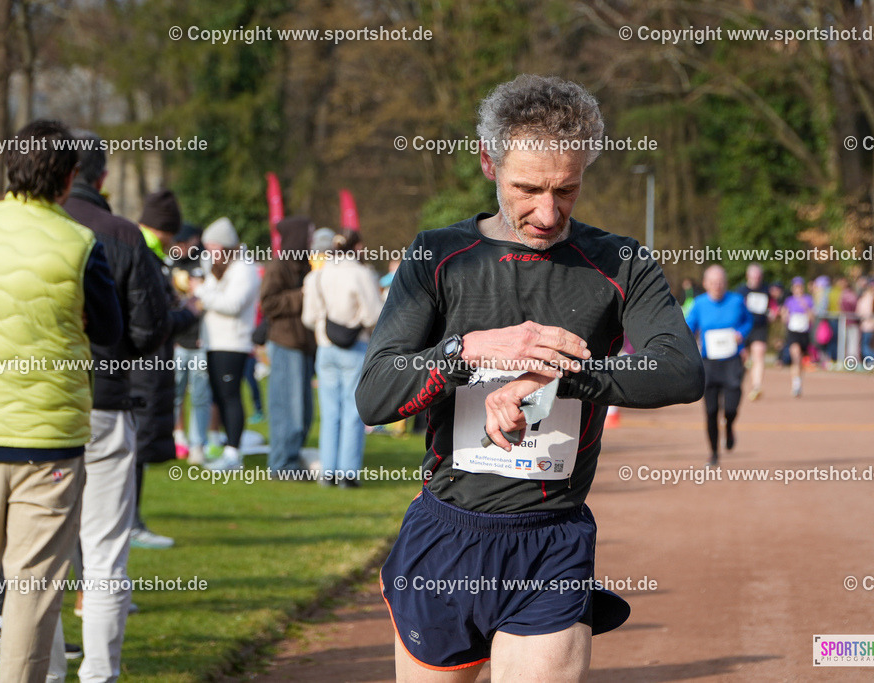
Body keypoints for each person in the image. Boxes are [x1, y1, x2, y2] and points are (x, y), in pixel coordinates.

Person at [355, 75, 704, 681]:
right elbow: (375, 395)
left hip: (551, 540)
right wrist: (469, 350)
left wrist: (562, 378)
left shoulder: (622, 262)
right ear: (489, 162)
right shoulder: (436, 257)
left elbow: (678, 370)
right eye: (527, 188)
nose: (547, 213)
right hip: (447, 533)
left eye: (566, 189)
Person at [0, 119, 122, 681]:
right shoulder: (79, 242)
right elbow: (111, 329)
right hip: (48, 446)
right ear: (68, 180)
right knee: (31, 597)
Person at [63, 130, 174, 681]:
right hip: (104, 400)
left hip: (35, 408)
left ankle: (45, 668)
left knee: (38, 552)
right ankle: (98, 673)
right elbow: (151, 328)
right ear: (101, 177)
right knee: (104, 551)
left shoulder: (26, 229)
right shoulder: (121, 234)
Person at [130, 190, 200, 548]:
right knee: (133, 450)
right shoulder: (143, 254)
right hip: (139, 371)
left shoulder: (144, 251)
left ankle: (131, 519)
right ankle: (131, 522)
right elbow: (150, 323)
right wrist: (187, 312)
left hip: (139, 369)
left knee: (133, 449)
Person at [302, 229, 384, 486]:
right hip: (355, 346)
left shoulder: (318, 275)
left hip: (325, 346)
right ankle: (348, 473)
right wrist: (357, 321)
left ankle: (328, 471)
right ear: (357, 247)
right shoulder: (361, 274)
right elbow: (373, 315)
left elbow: (308, 317)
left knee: (329, 412)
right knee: (352, 411)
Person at [195, 217, 261, 471]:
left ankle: (234, 454)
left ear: (224, 246)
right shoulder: (221, 266)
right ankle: (227, 448)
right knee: (220, 397)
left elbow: (232, 305)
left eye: (212, 247)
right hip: (215, 341)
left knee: (231, 397)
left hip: (233, 342)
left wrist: (200, 291)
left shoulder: (244, 268)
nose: (208, 253)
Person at [261, 215, 317, 476]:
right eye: (308, 236)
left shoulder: (304, 265)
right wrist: (301, 295)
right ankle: (282, 464)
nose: (311, 241)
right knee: (288, 409)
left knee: (304, 412)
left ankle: (290, 460)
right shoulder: (277, 267)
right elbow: (268, 303)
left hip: (304, 344)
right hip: (286, 344)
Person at [686, 265, 752, 466]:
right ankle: (714, 453)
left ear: (726, 283)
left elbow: (748, 321)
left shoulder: (737, 301)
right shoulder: (699, 304)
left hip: (732, 361)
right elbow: (688, 327)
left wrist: (741, 333)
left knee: (731, 407)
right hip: (709, 363)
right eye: (713, 283)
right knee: (711, 411)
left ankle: (730, 425)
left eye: (720, 282)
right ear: (706, 284)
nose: (717, 286)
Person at [170, 224, 213, 464]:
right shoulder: (172, 263)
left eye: (183, 243)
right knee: (175, 394)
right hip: (178, 341)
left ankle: (198, 443)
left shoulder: (206, 262)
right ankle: (178, 438)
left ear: (194, 240)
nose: (179, 248)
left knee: (199, 395)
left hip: (200, 341)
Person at [736, 263, 770, 400]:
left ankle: (757, 386)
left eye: (758, 277)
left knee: (759, 353)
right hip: (744, 327)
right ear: (748, 276)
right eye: (753, 276)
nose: (756, 279)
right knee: (742, 358)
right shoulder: (741, 291)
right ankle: (737, 384)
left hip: (760, 328)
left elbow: (774, 305)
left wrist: (774, 312)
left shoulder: (767, 290)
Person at [782, 277, 815, 397]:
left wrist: (806, 308)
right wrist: (784, 316)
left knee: (800, 360)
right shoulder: (789, 301)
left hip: (804, 332)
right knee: (795, 355)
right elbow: (784, 316)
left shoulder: (808, 299)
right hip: (793, 332)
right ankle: (795, 384)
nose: (798, 289)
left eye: (800, 287)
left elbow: (812, 318)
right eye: (796, 287)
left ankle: (798, 383)